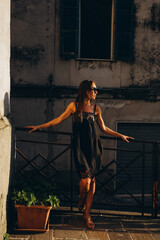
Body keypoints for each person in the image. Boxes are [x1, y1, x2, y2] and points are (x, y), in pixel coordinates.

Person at [25, 80, 133, 229]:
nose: (96, 92)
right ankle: (81, 201)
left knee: (92, 182)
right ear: (86, 90)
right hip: (79, 148)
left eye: (96, 90)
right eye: (94, 89)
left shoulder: (96, 108)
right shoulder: (73, 106)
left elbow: (104, 128)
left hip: (94, 148)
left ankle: (87, 214)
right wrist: (39, 127)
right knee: (85, 182)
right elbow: (58, 120)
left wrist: (120, 135)